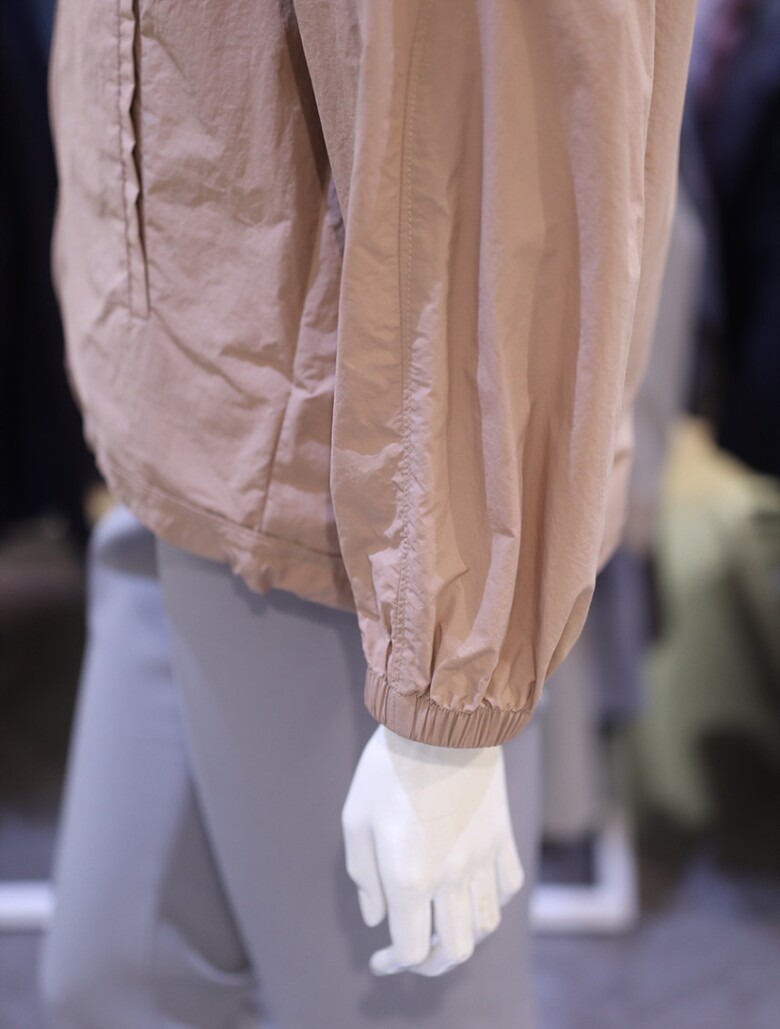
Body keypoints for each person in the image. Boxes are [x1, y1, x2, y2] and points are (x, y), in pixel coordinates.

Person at [38, 1, 697, 1025]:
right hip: (186, 416)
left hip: (358, 520)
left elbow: (502, 136)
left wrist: (449, 687)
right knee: (116, 985)